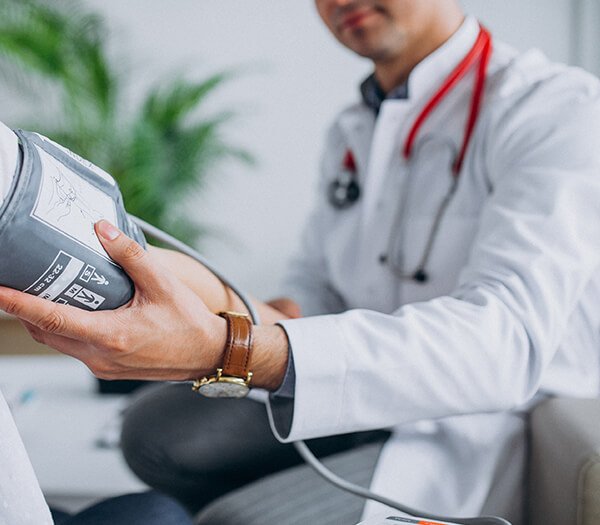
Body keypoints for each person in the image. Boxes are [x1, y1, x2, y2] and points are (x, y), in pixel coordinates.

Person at [1, 0, 599, 524]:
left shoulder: (554, 107)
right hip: (359, 385)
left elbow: (504, 344)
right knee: (152, 432)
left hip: (477, 420)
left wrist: (227, 351)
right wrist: (188, 290)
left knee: (232, 520)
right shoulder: (354, 129)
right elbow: (310, 291)